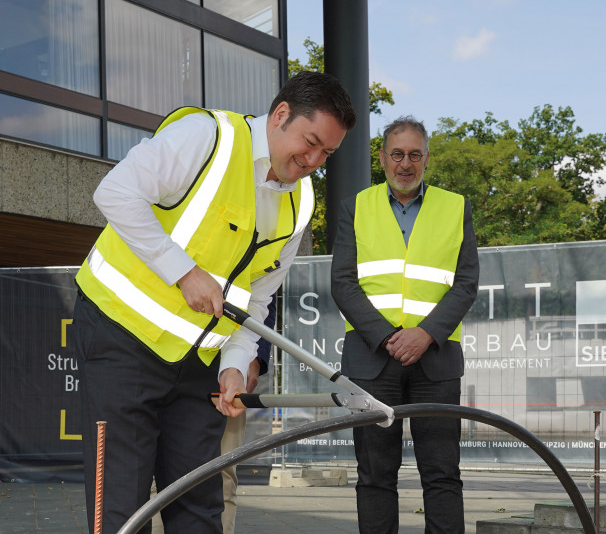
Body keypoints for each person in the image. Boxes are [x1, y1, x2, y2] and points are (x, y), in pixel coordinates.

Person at [71, 70, 356, 533]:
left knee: (199, 503)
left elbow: (257, 297)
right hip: (121, 339)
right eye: (310, 142)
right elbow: (115, 192)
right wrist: (182, 270)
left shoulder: (300, 204)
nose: (313, 160)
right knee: (120, 503)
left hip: (200, 363)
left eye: (327, 153)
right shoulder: (208, 137)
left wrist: (235, 363)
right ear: (281, 114)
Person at [331, 116, 479, 533]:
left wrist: (425, 334)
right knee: (375, 475)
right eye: (397, 154)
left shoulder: (456, 207)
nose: (406, 163)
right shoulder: (354, 208)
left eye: (415, 154)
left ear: (427, 158)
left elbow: (466, 284)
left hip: (436, 359)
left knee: (443, 474)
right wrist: (389, 338)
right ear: (382, 158)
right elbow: (343, 284)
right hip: (372, 359)